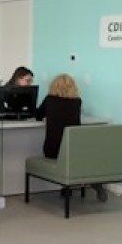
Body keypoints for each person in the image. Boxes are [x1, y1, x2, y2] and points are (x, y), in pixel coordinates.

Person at [36, 73, 107, 202]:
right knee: (73, 157)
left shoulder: (50, 100)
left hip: (53, 150)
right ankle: (92, 183)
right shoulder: (77, 102)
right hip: (73, 150)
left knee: (63, 155)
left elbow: (38, 115)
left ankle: (67, 187)